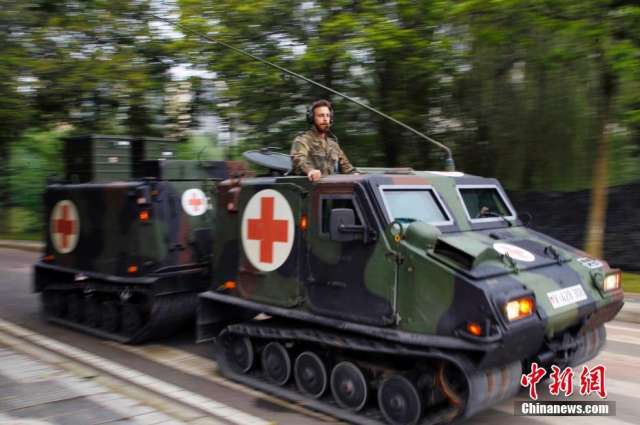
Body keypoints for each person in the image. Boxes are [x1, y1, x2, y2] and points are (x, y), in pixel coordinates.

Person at [290, 99, 355, 181]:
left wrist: (356, 174)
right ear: (312, 118)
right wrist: (310, 170)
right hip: (310, 186)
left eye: (327, 115)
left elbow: (347, 168)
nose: (325, 119)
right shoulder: (303, 140)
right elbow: (298, 160)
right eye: (321, 115)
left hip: (329, 185)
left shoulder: (333, 144)